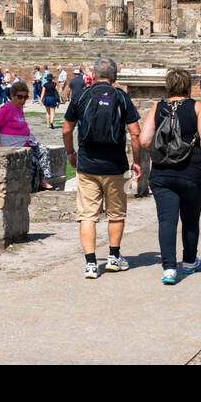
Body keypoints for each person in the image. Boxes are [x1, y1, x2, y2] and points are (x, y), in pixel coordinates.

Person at [139, 68, 201, 285]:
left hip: (162, 173)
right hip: (191, 172)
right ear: (189, 86)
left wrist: (163, 147)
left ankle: (169, 268)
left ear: (168, 87)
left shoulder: (157, 107)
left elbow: (144, 141)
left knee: (166, 221)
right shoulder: (197, 107)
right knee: (190, 219)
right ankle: (188, 261)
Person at [63, 57, 142, 278]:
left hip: (87, 164)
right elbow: (135, 134)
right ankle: (113, 257)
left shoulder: (81, 97)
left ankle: (90, 263)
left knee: (87, 215)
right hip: (116, 166)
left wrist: (71, 153)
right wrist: (136, 161)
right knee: (116, 214)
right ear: (115, 76)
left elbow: (66, 130)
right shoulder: (121, 97)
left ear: (93, 75)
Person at [0, 80, 54, 191]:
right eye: (20, 97)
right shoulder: (6, 108)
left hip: (25, 142)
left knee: (44, 150)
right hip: (13, 144)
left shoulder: (19, 108)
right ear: (12, 95)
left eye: (25, 97)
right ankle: (33, 189)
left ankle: (43, 182)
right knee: (34, 162)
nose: (23, 100)